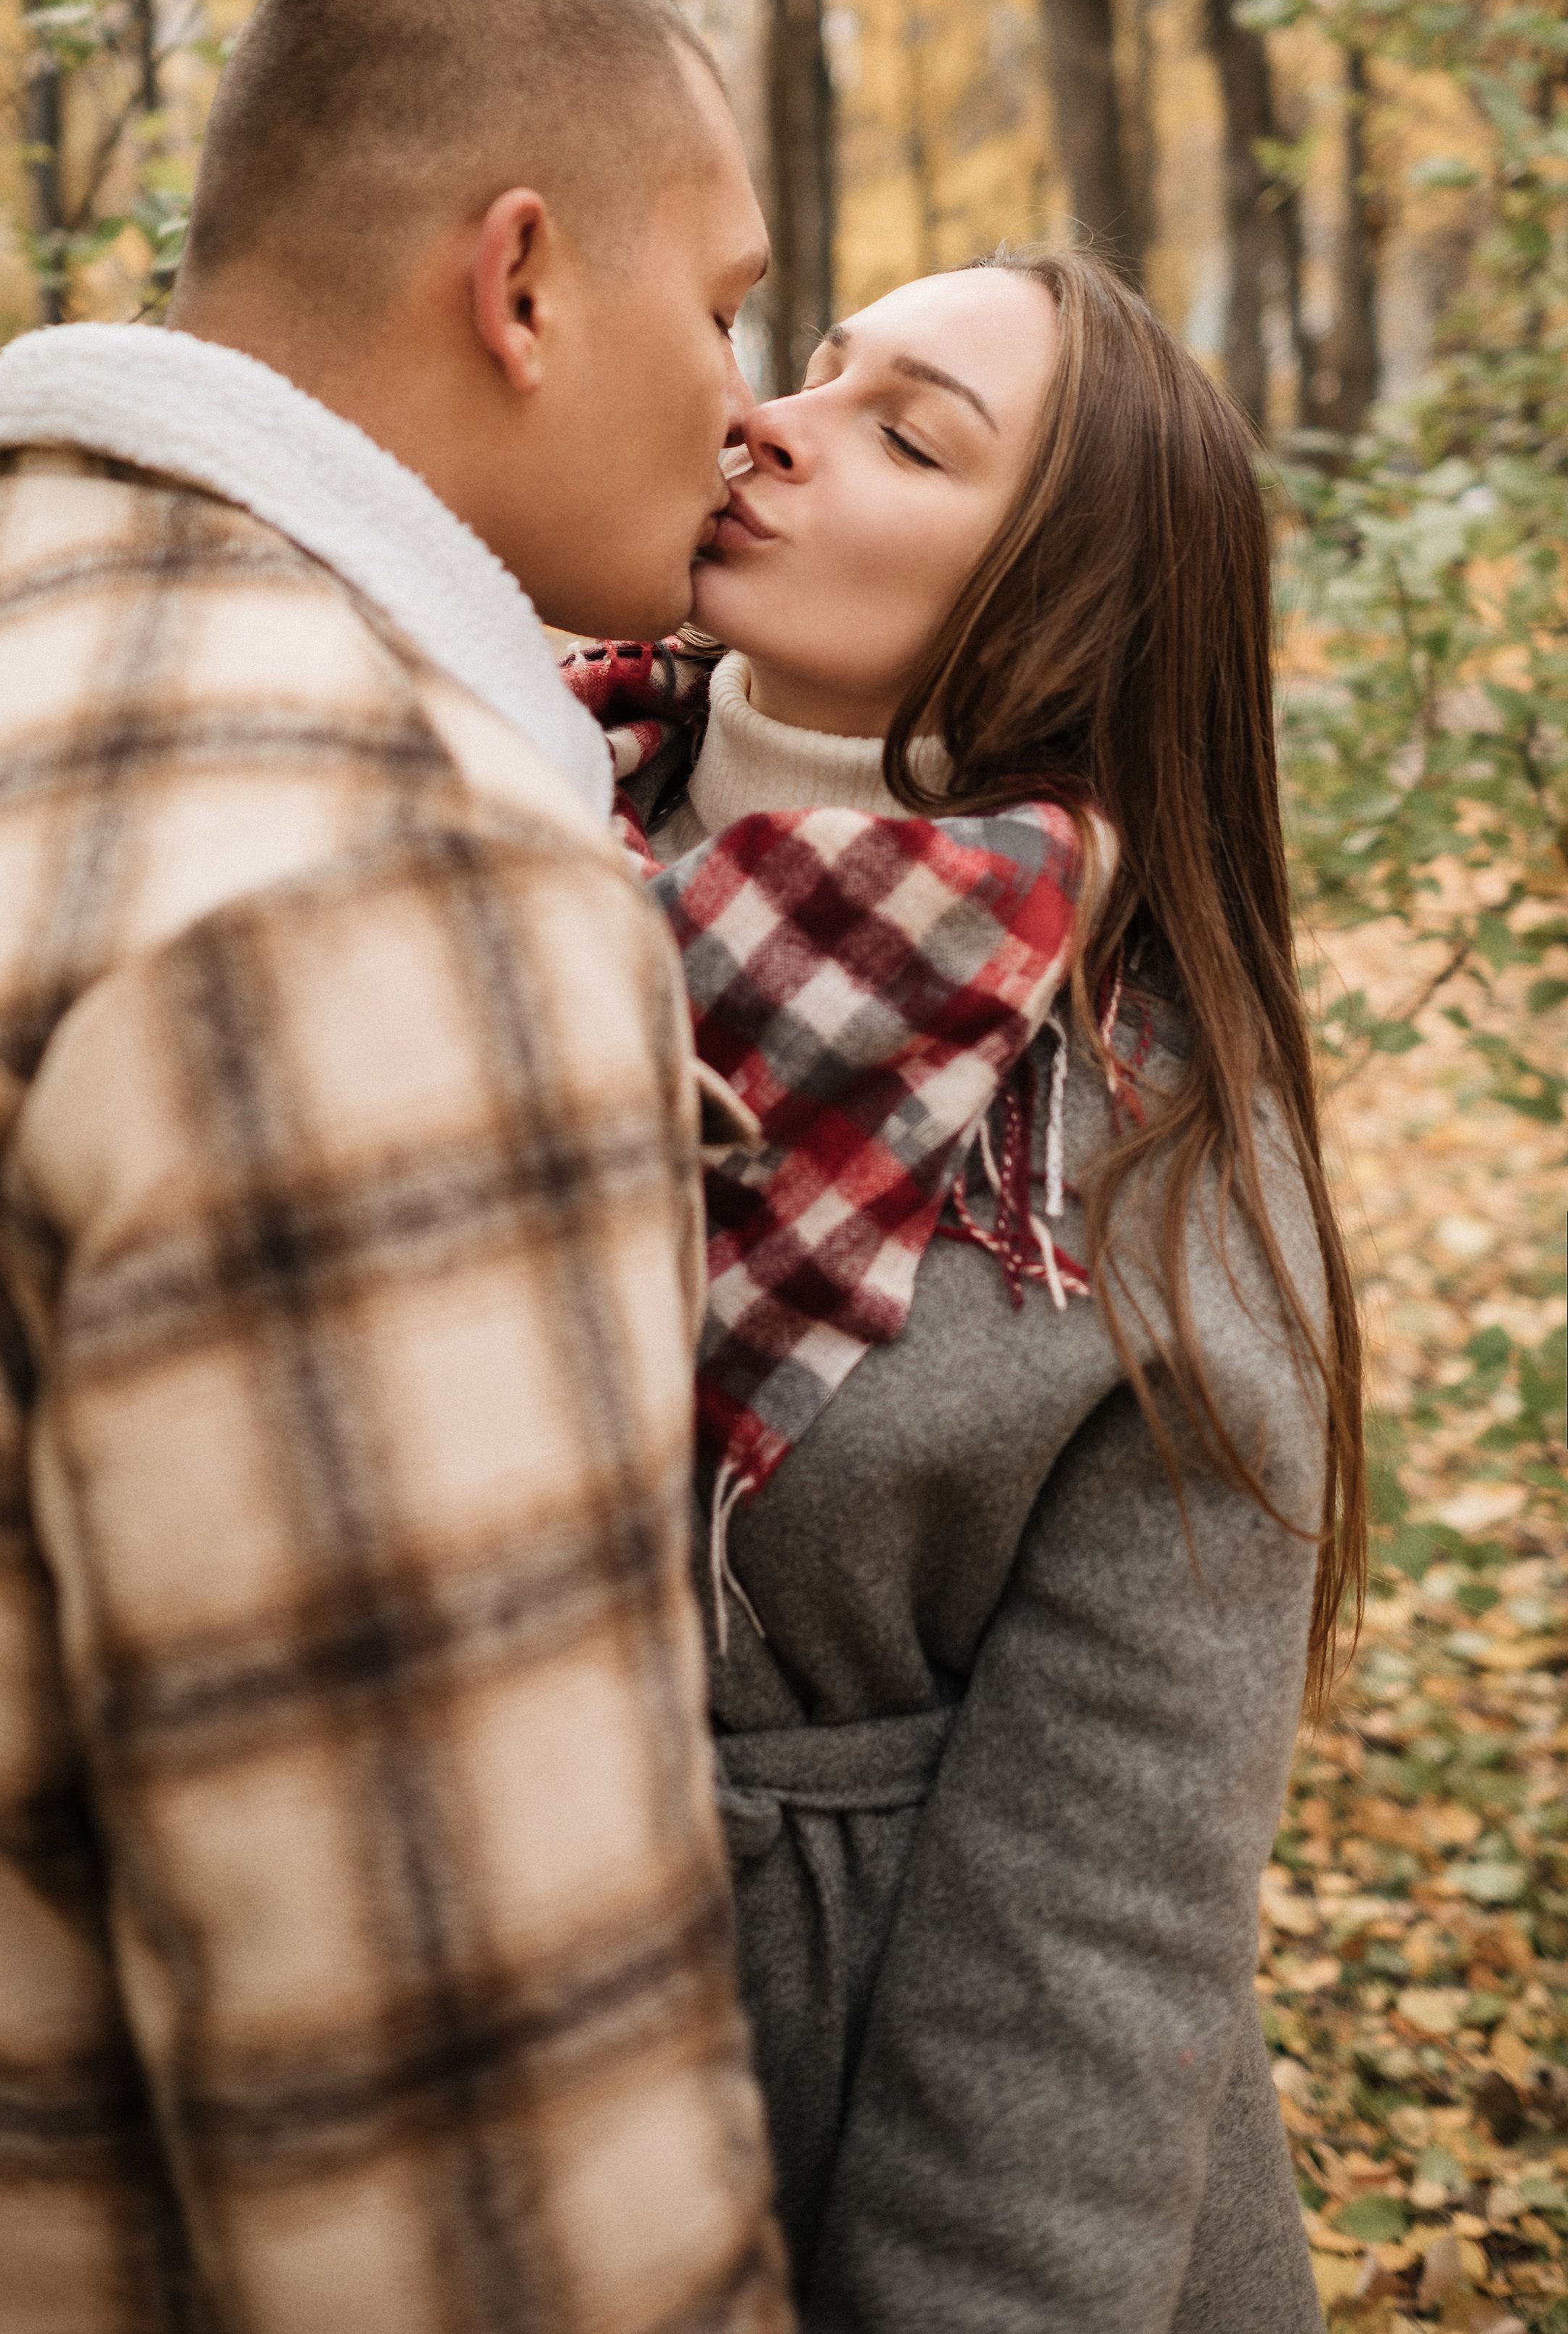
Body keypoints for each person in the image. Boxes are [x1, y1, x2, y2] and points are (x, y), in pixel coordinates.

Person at [0, 0, 793, 2333]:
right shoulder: (383, 892)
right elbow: (483, 2169)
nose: (750, 403)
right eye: (722, 305)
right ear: (521, 286)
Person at [563, 249, 1365, 2333]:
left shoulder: (1148, 1152)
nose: (769, 423)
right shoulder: (484, 833)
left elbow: (1091, 1948)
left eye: (903, 434)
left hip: (861, 2169)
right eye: (812, 367)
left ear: (1061, 620)